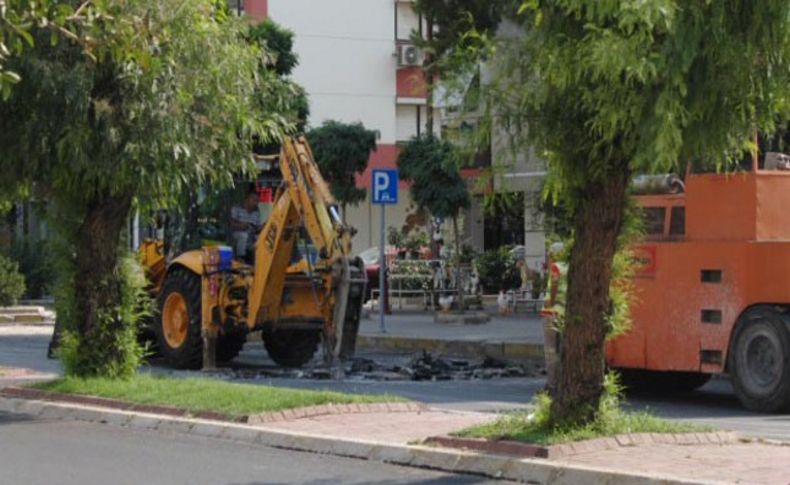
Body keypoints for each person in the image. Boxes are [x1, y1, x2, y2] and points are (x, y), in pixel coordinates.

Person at [231, 189, 261, 261]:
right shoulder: (237, 208)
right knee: (243, 235)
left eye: (257, 201)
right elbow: (230, 224)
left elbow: (257, 228)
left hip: (251, 237)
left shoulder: (256, 211)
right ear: (247, 199)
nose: (256, 203)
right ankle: (240, 257)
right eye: (254, 200)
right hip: (237, 235)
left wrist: (263, 227)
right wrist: (240, 225)